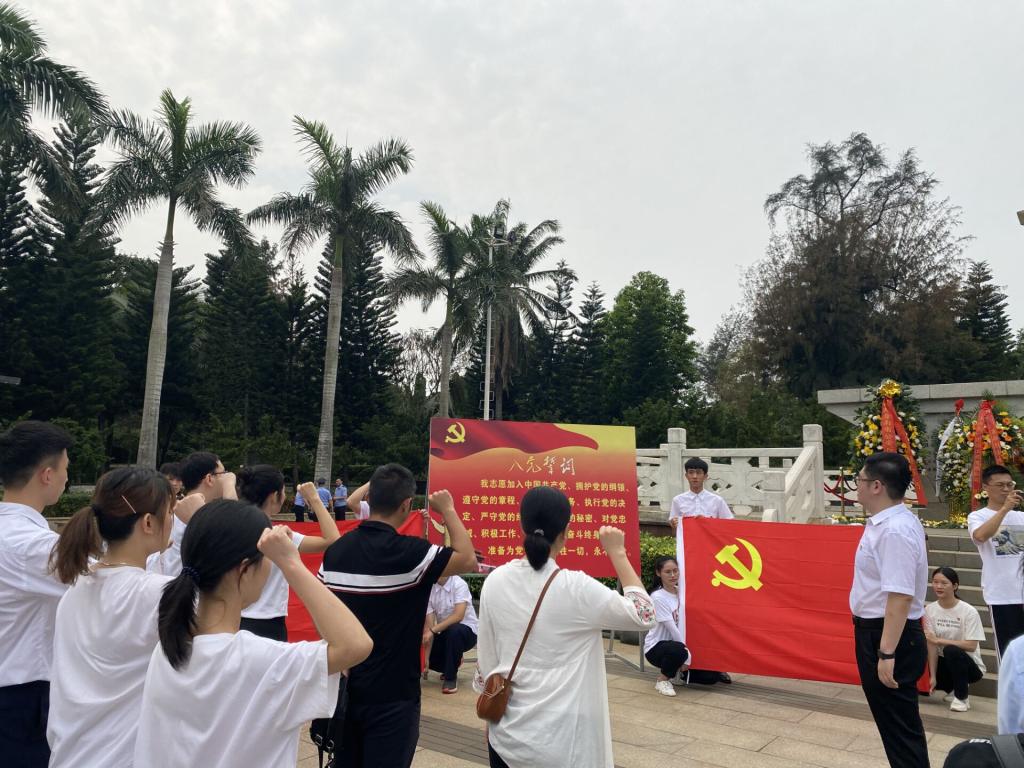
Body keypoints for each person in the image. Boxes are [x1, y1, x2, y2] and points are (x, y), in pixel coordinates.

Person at [134, 500, 373, 768]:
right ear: (245, 569)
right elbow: (356, 644)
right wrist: (290, 563)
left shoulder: (167, 648)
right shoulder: (265, 663)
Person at [475, 486, 657, 768]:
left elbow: (487, 660)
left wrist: (490, 719)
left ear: (522, 526)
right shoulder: (575, 587)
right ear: (566, 532)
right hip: (565, 742)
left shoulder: (495, 580)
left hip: (506, 738)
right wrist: (618, 553)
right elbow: (644, 615)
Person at [319, 464, 477, 768]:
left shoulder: (336, 552)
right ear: (406, 505)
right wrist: (447, 509)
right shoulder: (412, 554)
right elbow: (467, 558)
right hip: (394, 694)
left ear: (370, 499)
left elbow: (323, 613)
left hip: (344, 691)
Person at [47, 467, 193, 766]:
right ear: (148, 523)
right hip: (122, 757)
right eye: (170, 512)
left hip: (71, 754)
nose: (173, 520)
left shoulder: (76, 588)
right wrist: (204, 521)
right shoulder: (157, 593)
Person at [850, 452, 930, 768]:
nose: (856, 485)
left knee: (900, 729)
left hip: (888, 635)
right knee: (896, 727)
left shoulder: (895, 530)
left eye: (859, 479)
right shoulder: (887, 524)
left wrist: (886, 652)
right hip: (881, 631)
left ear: (876, 486)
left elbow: (900, 596)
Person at [0, 420, 73, 768]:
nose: (66, 478)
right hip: (20, 694)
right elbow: (106, 580)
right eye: (65, 469)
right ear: (46, 474)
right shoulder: (33, 545)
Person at [237, 467, 341, 641]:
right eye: (283, 491)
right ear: (274, 496)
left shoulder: (226, 529)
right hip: (268, 623)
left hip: (230, 620)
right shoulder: (279, 535)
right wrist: (314, 499)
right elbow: (332, 540)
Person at [147, 451, 236, 577]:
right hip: (183, 586)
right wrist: (229, 486)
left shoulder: (170, 513)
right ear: (209, 479)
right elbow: (236, 537)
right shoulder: (198, 516)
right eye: (223, 473)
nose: (227, 477)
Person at [643, 556, 723, 696]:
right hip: (657, 648)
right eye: (668, 572)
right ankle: (662, 680)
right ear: (658, 573)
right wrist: (687, 655)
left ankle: (676, 672)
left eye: (675, 571)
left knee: (711, 677)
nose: (673, 575)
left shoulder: (683, 592)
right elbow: (673, 630)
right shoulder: (658, 597)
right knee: (678, 650)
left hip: (680, 645)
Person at [967, 464, 1024, 657]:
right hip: (1003, 595)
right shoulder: (977, 516)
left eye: (1009, 484)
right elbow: (980, 536)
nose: (1006, 489)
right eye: (1000, 485)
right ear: (985, 487)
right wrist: (1005, 509)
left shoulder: (1021, 517)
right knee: (1010, 654)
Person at [924, 566, 985, 713]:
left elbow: (971, 645)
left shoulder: (969, 611)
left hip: (970, 667)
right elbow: (931, 645)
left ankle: (961, 698)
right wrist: (932, 676)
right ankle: (951, 688)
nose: (938, 586)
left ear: (955, 586)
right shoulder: (929, 610)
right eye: (935, 582)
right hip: (944, 664)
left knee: (951, 650)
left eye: (944, 583)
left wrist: (939, 641)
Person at [423, 574, 478, 693]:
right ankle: (452, 661)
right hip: (445, 634)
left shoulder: (459, 584)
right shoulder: (430, 589)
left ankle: (450, 678)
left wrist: (432, 630)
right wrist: (426, 658)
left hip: (467, 632)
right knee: (421, 643)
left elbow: (458, 616)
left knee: (455, 631)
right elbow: (429, 627)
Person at [668, 457, 734, 525]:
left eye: (698, 472)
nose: (694, 476)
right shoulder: (677, 500)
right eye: (691, 472)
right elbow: (675, 528)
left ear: (705, 476)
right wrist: (673, 524)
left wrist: (707, 521)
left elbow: (729, 524)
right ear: (686, 476)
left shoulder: (717, 501)